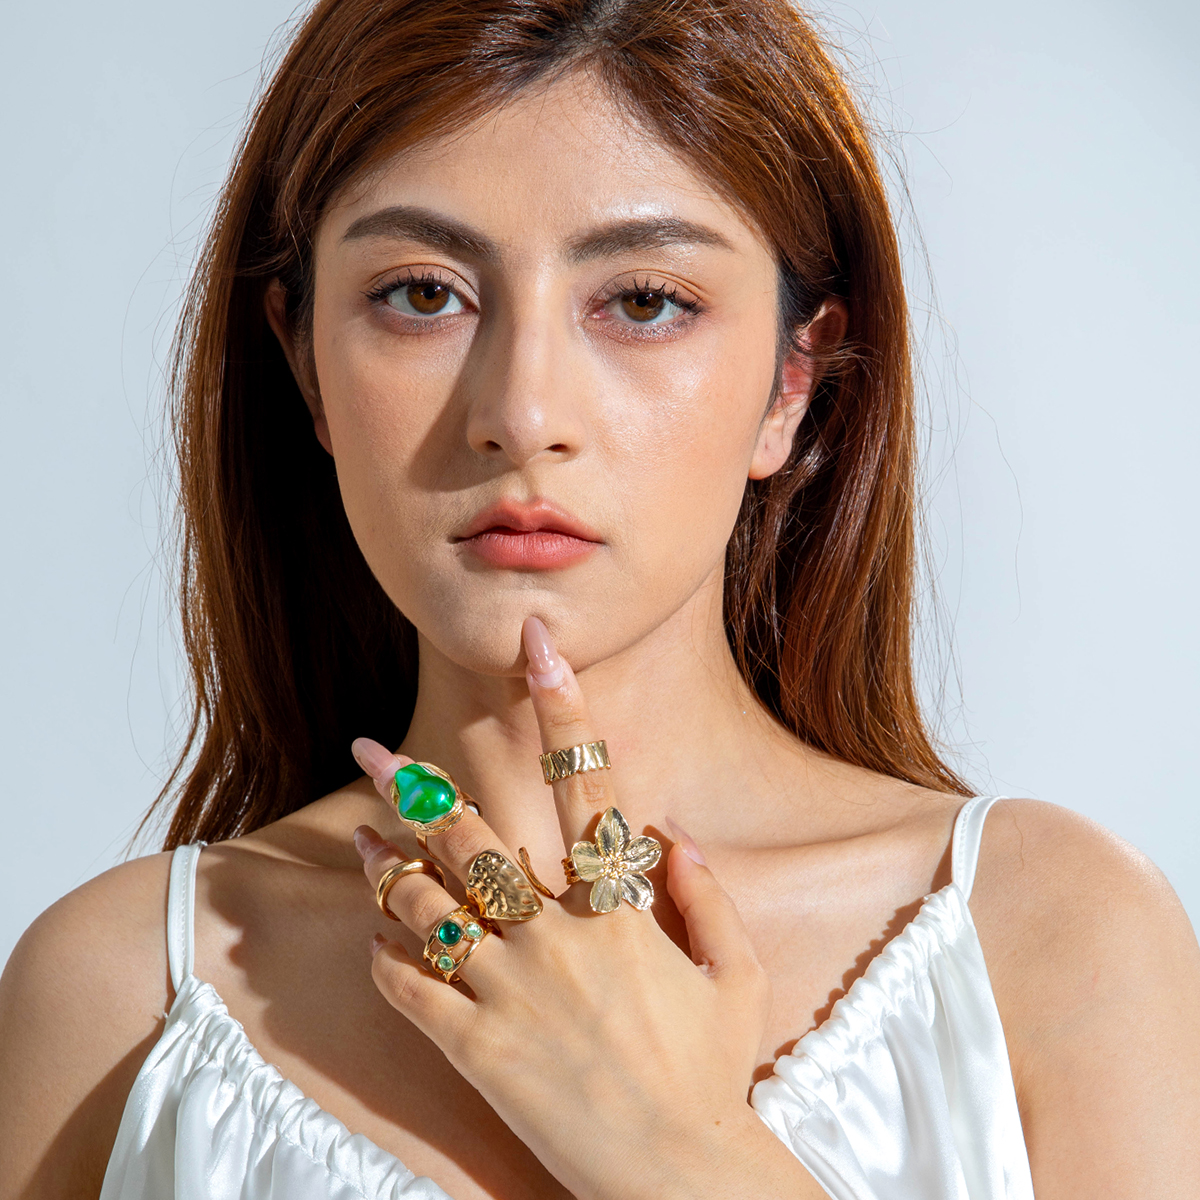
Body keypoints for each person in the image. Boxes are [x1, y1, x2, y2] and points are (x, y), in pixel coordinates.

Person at [1, 0, 1197, 1196]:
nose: (522, 415)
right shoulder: (120, 998)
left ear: (793, 381)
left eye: (642, 302)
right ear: (305, 361)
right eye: (422, 294)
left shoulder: (1050, 939)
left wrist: (673, 1145)